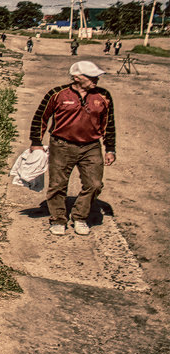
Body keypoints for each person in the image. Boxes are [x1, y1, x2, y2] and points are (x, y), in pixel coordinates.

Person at [29, 61, 116, 236]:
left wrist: (110, 149)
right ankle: (58, 219)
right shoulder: (57, 94)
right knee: (58, 185)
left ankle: (80, 217)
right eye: (91, 77)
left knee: (94, 184)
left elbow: (109, 124)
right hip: (62, 145)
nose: (96, 80)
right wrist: (36, 142)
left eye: (96, 77)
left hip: (91, 147)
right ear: (77, 77)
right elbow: (40, 117)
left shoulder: (103, 96)